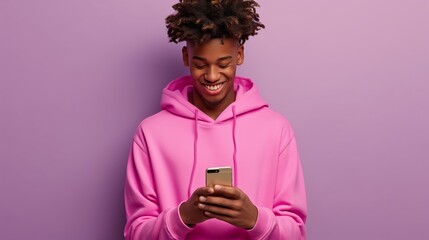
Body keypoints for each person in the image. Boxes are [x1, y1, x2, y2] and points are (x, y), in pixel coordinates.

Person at [124, 0, 307, 239]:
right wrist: (183, 217)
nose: (211, 76)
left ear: (239, 55)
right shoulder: (150, 133)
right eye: (200, 64)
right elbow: (136, 233)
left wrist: (254, 219)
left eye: (223, 63)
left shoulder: (276, 129)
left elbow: (296, 233)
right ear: (186, 58)